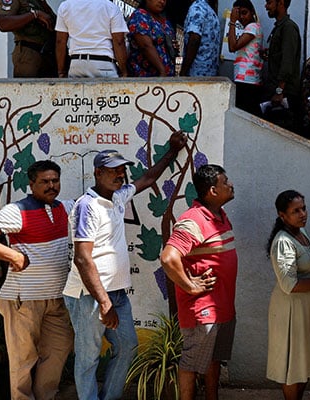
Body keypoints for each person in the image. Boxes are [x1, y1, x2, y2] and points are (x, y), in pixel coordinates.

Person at [63, 131, 187, 400]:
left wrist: (172, 151)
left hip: (115, 293)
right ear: (97, 173)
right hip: (89, 297)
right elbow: (83, 258)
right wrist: (104, 302)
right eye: (113, 171)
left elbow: (148, 178)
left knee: (128, 346)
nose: (120, 175)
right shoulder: (88, 206)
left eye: (121, 170)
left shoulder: (118, 196)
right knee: (88, 357)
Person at [0, 161, 74, 400]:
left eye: (55, 181)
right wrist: (13, 254)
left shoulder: (65, 208)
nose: (51, 186)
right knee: (23, 360)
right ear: (32, 184)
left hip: (56, 299)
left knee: (59, 349)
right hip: (22, 300)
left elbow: (122, 191)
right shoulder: (17, 210)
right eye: (44, 182)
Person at [160, 164, 237, 400]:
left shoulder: (219, 216)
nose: (231, 184)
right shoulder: (193, 220)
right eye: (225, 182)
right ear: (213, 191)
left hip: (222, 308)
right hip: (202, 311)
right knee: (191, 363)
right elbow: (168, 257)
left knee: (213, 358)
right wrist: (190, 285)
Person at [265, 190, 310, 400]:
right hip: (292, 311)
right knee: (293, 366)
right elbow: (289, 285)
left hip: (308, 309)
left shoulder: (301, 234)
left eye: (303, 208)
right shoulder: (283, 241)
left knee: (303, 363)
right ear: (282, 215)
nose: (303, 213)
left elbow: (307, 267)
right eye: (296, 211)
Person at [55, 0, 128, 78]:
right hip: (104, 64)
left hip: (76, 64)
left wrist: (61, 71)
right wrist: (124, 71)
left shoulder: (65, 6)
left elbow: (60, 41)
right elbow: (119, 42)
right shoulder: (111, 7)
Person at [263, 0, 301, 130]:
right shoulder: (280, 27)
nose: (266, 6)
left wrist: (279, 91)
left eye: (269, 2)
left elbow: (287, 61)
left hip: (283, 95)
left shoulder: (288, 27)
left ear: (281, 3)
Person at [0, 0, 57, 77]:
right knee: (28, 87)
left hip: (48, 56)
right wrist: (34, 15)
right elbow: (3, 23)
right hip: (29, 55)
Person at [227, 0, 263, 115]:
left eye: (244, 13)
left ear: (252, 12)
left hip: (247, 80)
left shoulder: (252, 27)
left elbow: (232, 46)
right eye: (239, 14)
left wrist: (232, 22)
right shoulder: (251, 27)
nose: (242, 17)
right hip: (246, 79)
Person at [126, 0, 176, 77]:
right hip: (147, 78)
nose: (162, 2)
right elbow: (145, 46)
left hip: (167, 77)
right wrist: (162, 70)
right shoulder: (140, 16)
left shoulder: (166, 23)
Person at [180, 0, 220, 76]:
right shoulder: (211, 11)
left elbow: (194, 40)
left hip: (196, 74)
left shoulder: (197, 8)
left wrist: (183, 71)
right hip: (210, 74)